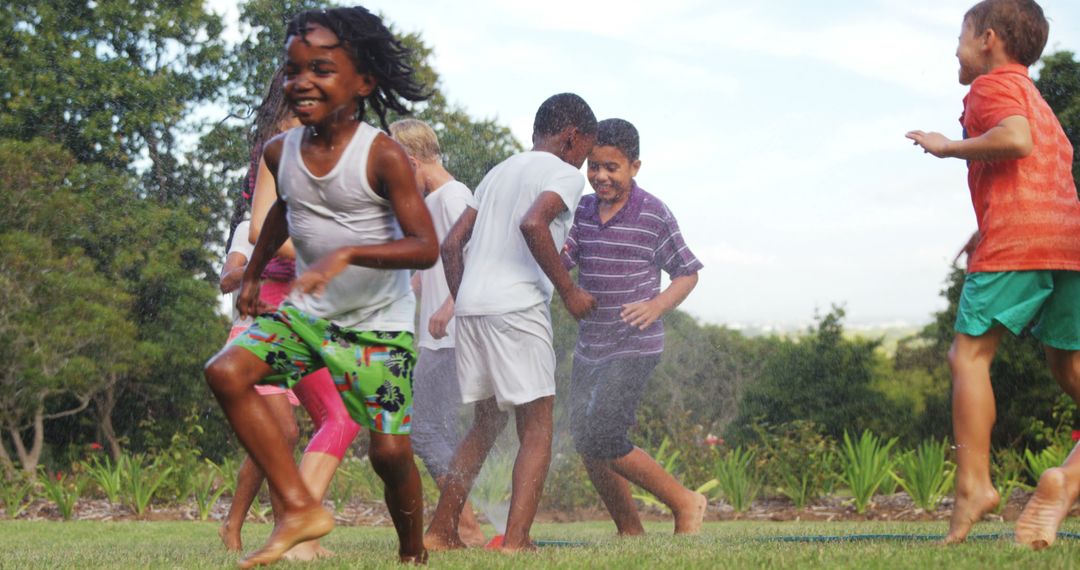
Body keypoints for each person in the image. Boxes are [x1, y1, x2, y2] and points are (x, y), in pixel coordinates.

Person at [203, 6, 436, 567]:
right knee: (226, 370)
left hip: (377, 326)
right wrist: (255, 273)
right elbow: (284, 210)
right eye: (294, 69)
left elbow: (425, 246)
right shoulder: (280, 153)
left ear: (363, 82)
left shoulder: (383, 155)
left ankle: (413, 551)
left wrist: (351, 252)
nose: (302, 81)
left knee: (389, 453)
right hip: (308, 317)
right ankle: (298, 506)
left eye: (322, 69)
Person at [906, 0, 1080, 548]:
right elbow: (1041, 166)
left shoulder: (993, 87)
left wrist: (947, 146)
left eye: (960, 37)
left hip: (1020, 243)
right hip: (1067, 243)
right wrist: (983, 229)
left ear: (989, 39)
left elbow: (1015, 142)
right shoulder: (1036, 97)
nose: (954, 50)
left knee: (969, 356)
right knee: (1071, 371)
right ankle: (1065, 483)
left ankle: (974, 487)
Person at [424, 93, 597, 552]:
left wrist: (464, 301)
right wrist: (570, 291)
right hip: (516, 309)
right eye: (584, 154)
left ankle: (441, 532)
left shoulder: (498, 171)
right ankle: (517, 541)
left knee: (484, 425)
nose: (583, 166)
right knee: (538, 427)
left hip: (475, 308)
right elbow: (534, 224)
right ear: (571, 137)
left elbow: (451, 245)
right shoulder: (561, 173)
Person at [561, 118, 708, 536]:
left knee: (604, 434)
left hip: (634, 345)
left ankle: (685, 501)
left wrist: (657, 305)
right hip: (590, 345)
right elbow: (563, 258)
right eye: (593, 166)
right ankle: (629, 528)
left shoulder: (653, 213)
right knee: (585, 440)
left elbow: (687, 272)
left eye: (612, 167)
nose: (600, 176)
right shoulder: (583, 211)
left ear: (634, 167)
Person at [389, 118, 487, 547]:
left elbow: (475, 256)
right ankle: (461, 523)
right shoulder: (432, 202)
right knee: (436, 429)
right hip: (435, 337)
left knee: (423, 427)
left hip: (449, 337)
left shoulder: (454, 196)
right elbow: (434, 264)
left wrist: (450, 304)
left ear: (410, 160)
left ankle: (462, 523)